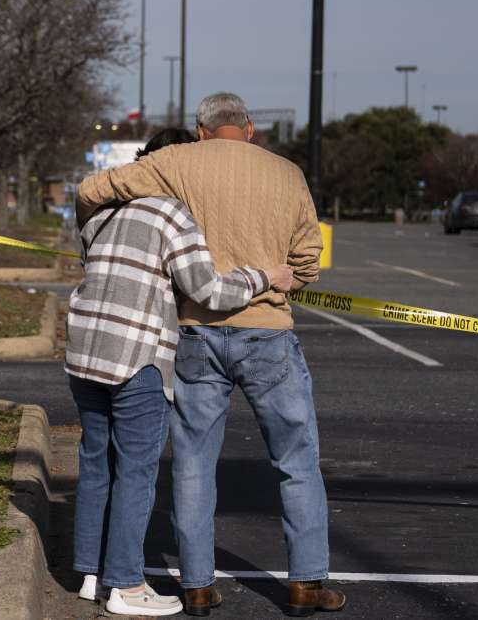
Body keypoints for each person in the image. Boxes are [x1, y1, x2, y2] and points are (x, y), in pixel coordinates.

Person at [75, 93, 345, 617]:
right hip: (268, 333)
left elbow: (92, 189)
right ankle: (306, 583)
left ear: (201, 131)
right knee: (297, 461)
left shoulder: (176, 162)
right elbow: (307, 264)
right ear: (249, 129)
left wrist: (91, 241)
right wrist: (277, 275)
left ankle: (197, 584)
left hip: (195, 332)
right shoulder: (287, 173)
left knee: (194, 464)